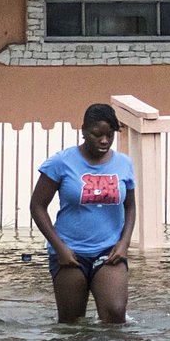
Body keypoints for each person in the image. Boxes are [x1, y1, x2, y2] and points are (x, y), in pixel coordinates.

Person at [30, 103, 136, 323]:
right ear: (84, 131)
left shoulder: (124, 164)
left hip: (109, 251)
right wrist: (59, 248)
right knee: (72, 323)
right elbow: (37, 206)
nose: (104, 141)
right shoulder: (61, 162)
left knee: (115, 314)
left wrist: (124, 244)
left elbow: (130, 206)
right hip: (70, 253)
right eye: (97, 134)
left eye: (110, 135)